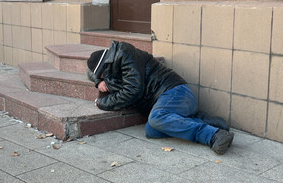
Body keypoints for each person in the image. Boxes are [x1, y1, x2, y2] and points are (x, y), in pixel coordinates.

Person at [87, 41, 234, 155]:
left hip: (176, 92)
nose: (103, 77)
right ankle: (205, 121)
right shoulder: (112, 65)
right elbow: (89, 71)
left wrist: (102, 103)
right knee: (152, 130)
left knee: (157, 118)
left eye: (102, 74)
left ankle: (213, 135)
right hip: (168, 101)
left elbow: (133, 91)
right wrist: (98, 81)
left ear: (106, 65)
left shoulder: (125, 54)